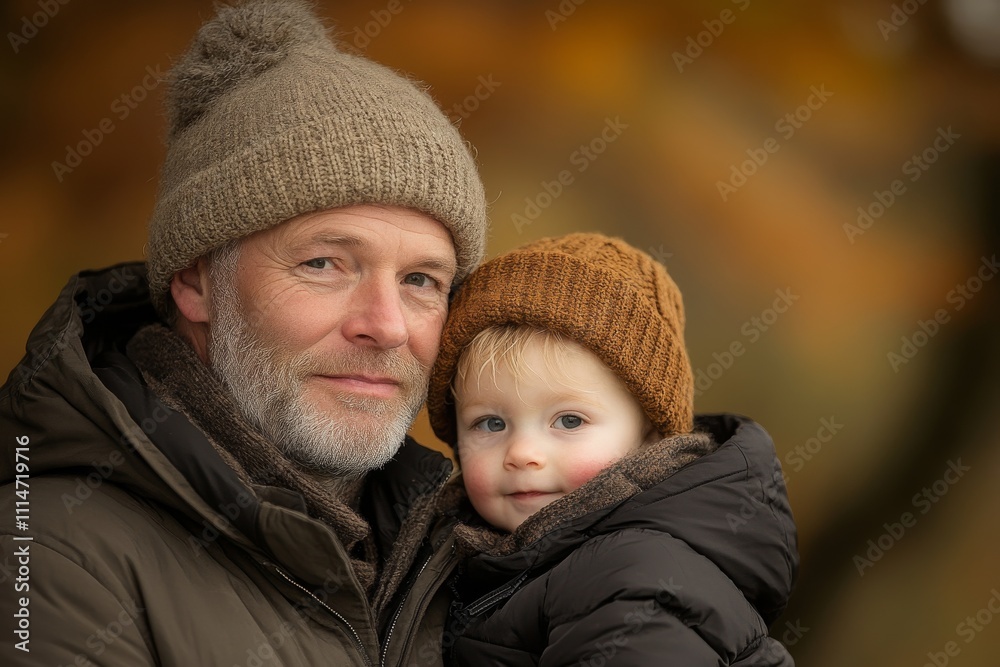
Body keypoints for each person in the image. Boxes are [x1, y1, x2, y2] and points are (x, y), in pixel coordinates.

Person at [0, 1, 488, 665]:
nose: (386, 325)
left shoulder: (477, 552)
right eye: (324, 264)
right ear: (196, 281)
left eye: (422, 280)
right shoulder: (50, 557)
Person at [425, 233, 800, 665]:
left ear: (652, 436)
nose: (522, 452)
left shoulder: (636, 579)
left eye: (569, 421)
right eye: (491, 423)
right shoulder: (462, 553)